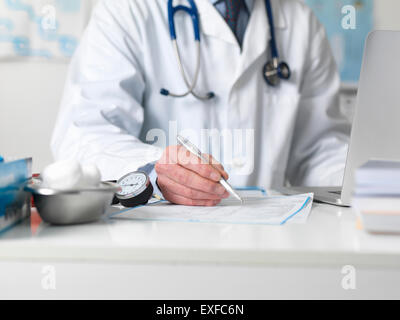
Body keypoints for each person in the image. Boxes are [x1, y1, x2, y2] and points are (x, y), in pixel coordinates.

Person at [51, 0, 350, 206]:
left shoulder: (300, 22)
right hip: (158, 241)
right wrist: (155, 172)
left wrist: (367, 184)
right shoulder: (128, 10)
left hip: (265, 242)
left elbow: (320, 149)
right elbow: (85, 135)